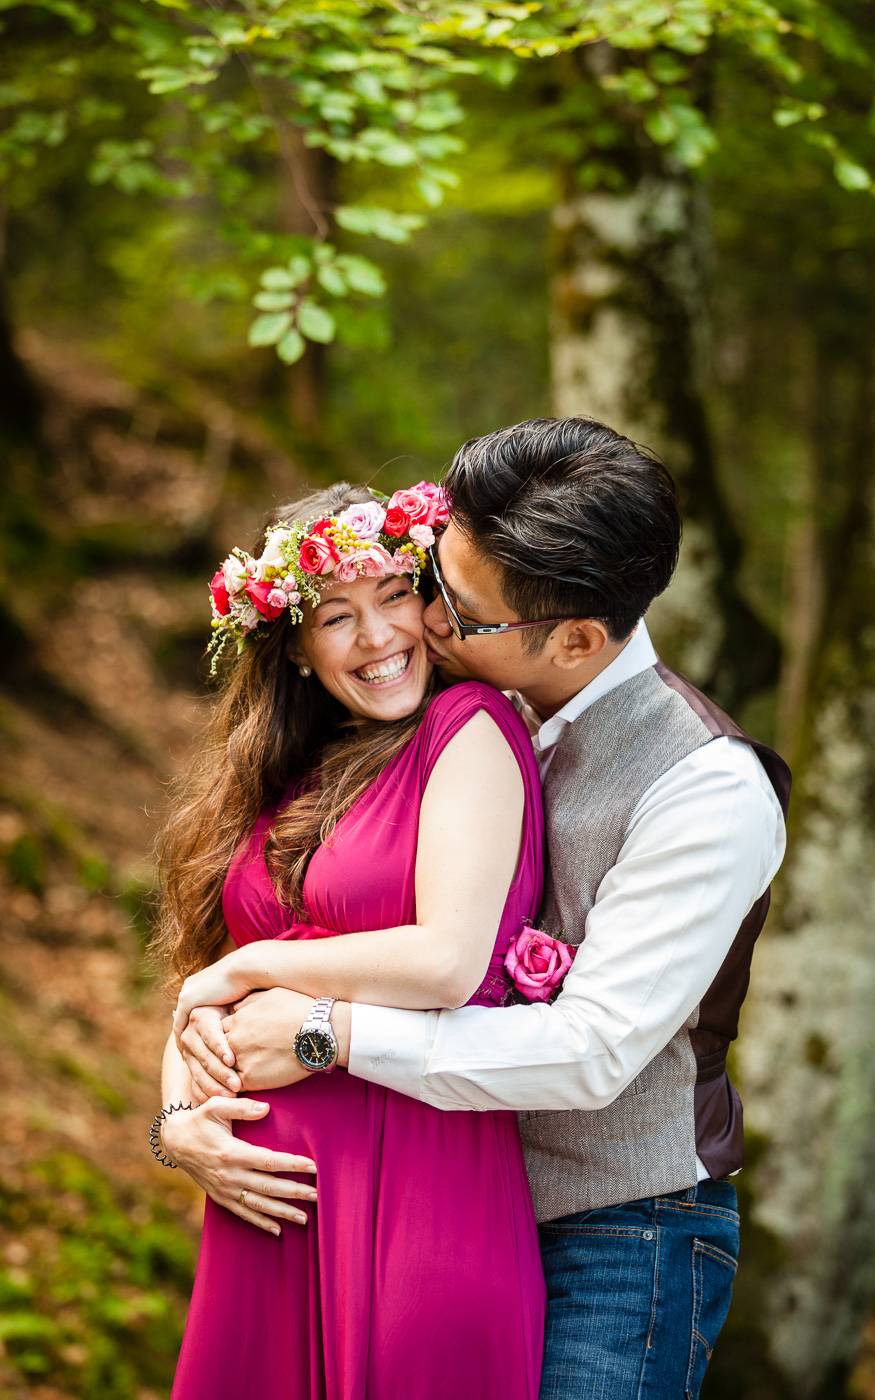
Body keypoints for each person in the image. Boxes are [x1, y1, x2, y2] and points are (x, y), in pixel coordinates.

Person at [179, 418, 791, 1398]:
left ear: (575, 638)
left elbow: (590, 1048)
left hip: (621, 1234)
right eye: (433, 581)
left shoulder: (704, 787)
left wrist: (325, 1032)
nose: (422, 622)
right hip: (436, 1196)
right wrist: (182, 1110)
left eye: (457, 610)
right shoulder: (446, 705)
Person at [151, 480, 548, 1399]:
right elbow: (202, 996)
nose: (377, 637)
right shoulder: (282, 778)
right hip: (265, 1213)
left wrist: (252, 964)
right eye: (337, 616)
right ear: (294, 647)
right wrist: (180, 1128)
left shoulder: (466, 728)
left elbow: (446, 962)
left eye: (393, 595)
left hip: (418, 1196)